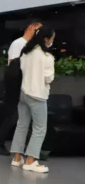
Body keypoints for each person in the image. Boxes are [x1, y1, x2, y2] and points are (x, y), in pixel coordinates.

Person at [0, 21, 41, 156]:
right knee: (12, 115)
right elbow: (13, 65)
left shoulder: (33, 46)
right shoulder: (18, 44)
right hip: (15, 85)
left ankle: (27, 148)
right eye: (37, 30)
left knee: (23, 117)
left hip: (25, 85)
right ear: (31, 28)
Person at [10, 26, 56, 173]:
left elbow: (22, 70)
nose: (52, 42)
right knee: (39, 128)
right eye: (52, 39)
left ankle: (17, 158)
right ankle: (30, 161)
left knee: (22, 125)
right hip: (37, 95)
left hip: (23, 93)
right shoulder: (47, 57)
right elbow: (48, 78)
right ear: (46, 39)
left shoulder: (26, 53)